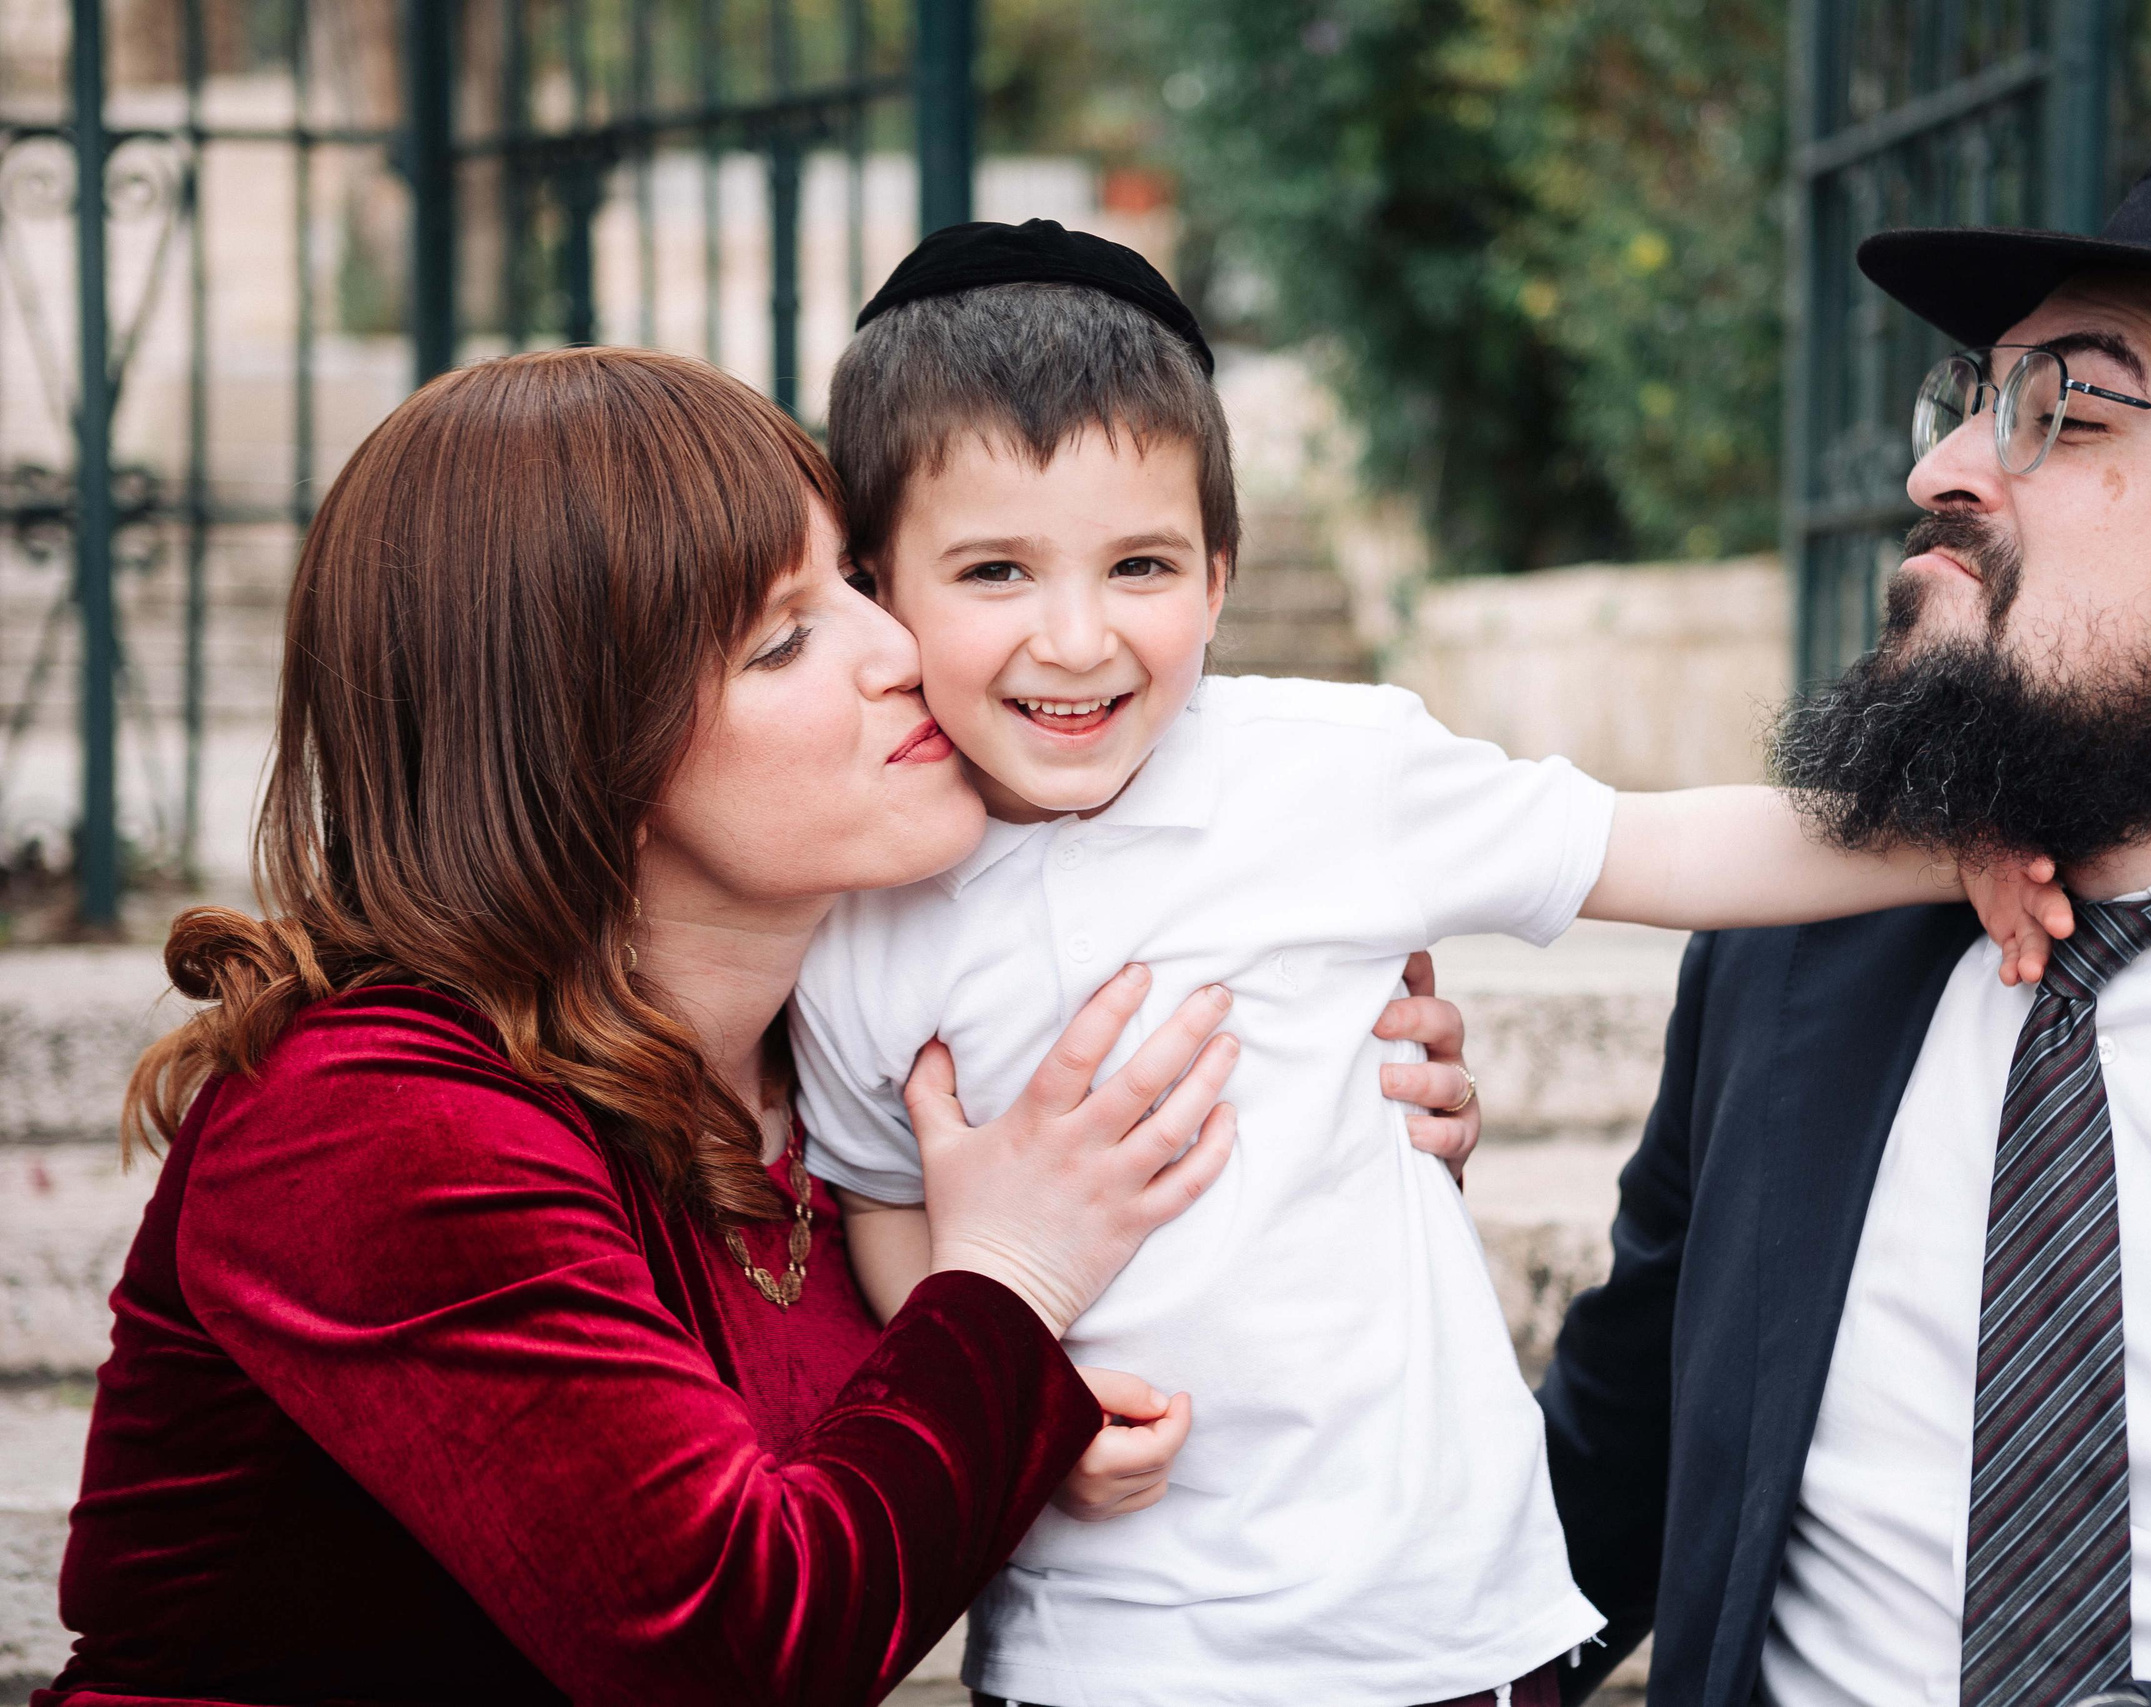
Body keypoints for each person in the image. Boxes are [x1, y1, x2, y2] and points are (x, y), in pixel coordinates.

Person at [40, 347, 1491, 1705]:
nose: (901, 648)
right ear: (578, 749)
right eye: (788, 637)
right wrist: (1010, 1275)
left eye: (860, 578)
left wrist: (1339, 1102)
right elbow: (732, 1652)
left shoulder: (844, 1056)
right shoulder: (374, 1120)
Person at [793, 221, 2065, 1707]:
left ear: (1218, 577)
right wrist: (1020, 1405)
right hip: (1105, 1638)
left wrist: (1946, 846)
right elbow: (888, 1199)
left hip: (1431, 1614)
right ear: (881, 591)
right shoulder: (870, 909)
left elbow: (1650, 848)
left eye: (1138, 564)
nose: (1075, 639)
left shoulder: (1329, 771)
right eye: (996, 570)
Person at [1537, 38, 2151, 1707]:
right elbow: (1569, 1539)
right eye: (1969, 400)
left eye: (2061, 408)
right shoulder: (1796, 956)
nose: (1941, 468)